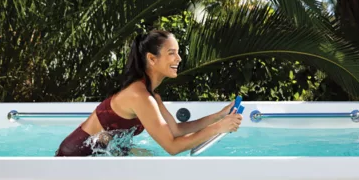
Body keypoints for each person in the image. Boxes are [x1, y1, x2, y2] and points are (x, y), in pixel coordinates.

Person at [55, 30, 243, 157]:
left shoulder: (151, 95)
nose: (179, 58)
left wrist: (220, 116)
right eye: (172, 53)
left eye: (178, 52)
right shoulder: (140, 96)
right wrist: (219, 128)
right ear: (152, 59)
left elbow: (176, 131)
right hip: (75, 156)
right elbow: (172, 146)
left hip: (102, 151)